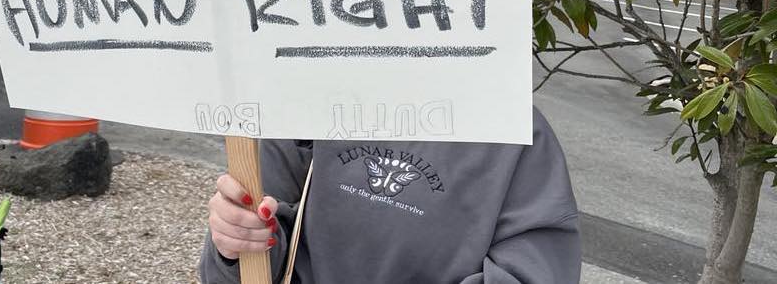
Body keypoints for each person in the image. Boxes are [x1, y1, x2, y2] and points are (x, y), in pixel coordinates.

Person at [200, 107, 580, 283]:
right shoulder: (311, 99)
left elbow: (534, 272)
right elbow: (236, 270)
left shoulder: (513, 132)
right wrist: (234, 243)